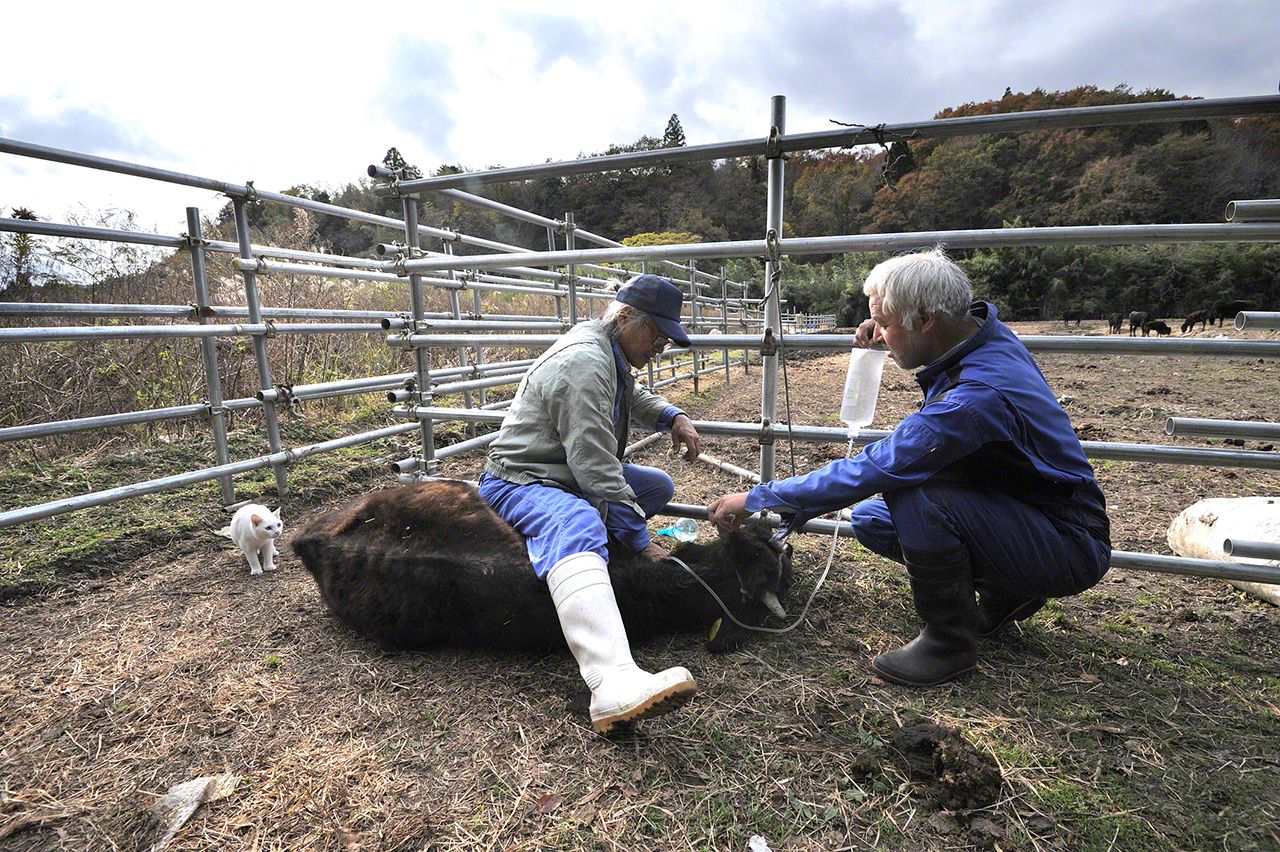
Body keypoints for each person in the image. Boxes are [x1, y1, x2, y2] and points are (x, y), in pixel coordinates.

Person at [707, 249, 1111, 687]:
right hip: (1026, 511)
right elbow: (932, 343)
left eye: (884, 322)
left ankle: (948, 644)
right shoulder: (983, 336)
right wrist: (889, 328)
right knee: (874, 520)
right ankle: (1007, 591)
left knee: (912, 489)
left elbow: (878, 465)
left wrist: (758, 497)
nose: (877, 331)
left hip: (1067, 541)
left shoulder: (976, 398)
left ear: (925, 319)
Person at [478, 274, 705, 733]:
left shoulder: (607, 349)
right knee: (581, 521)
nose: (659, 347)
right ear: (626, 317)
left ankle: (582, 558)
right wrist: (640, 540)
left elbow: (630, 394)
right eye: (656, 334)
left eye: (665, 338)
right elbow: (595, 466)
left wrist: (671, 415)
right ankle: (610, 683)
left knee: (656, 487)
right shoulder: (585, 362)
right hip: (524, 478)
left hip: (562, 469)